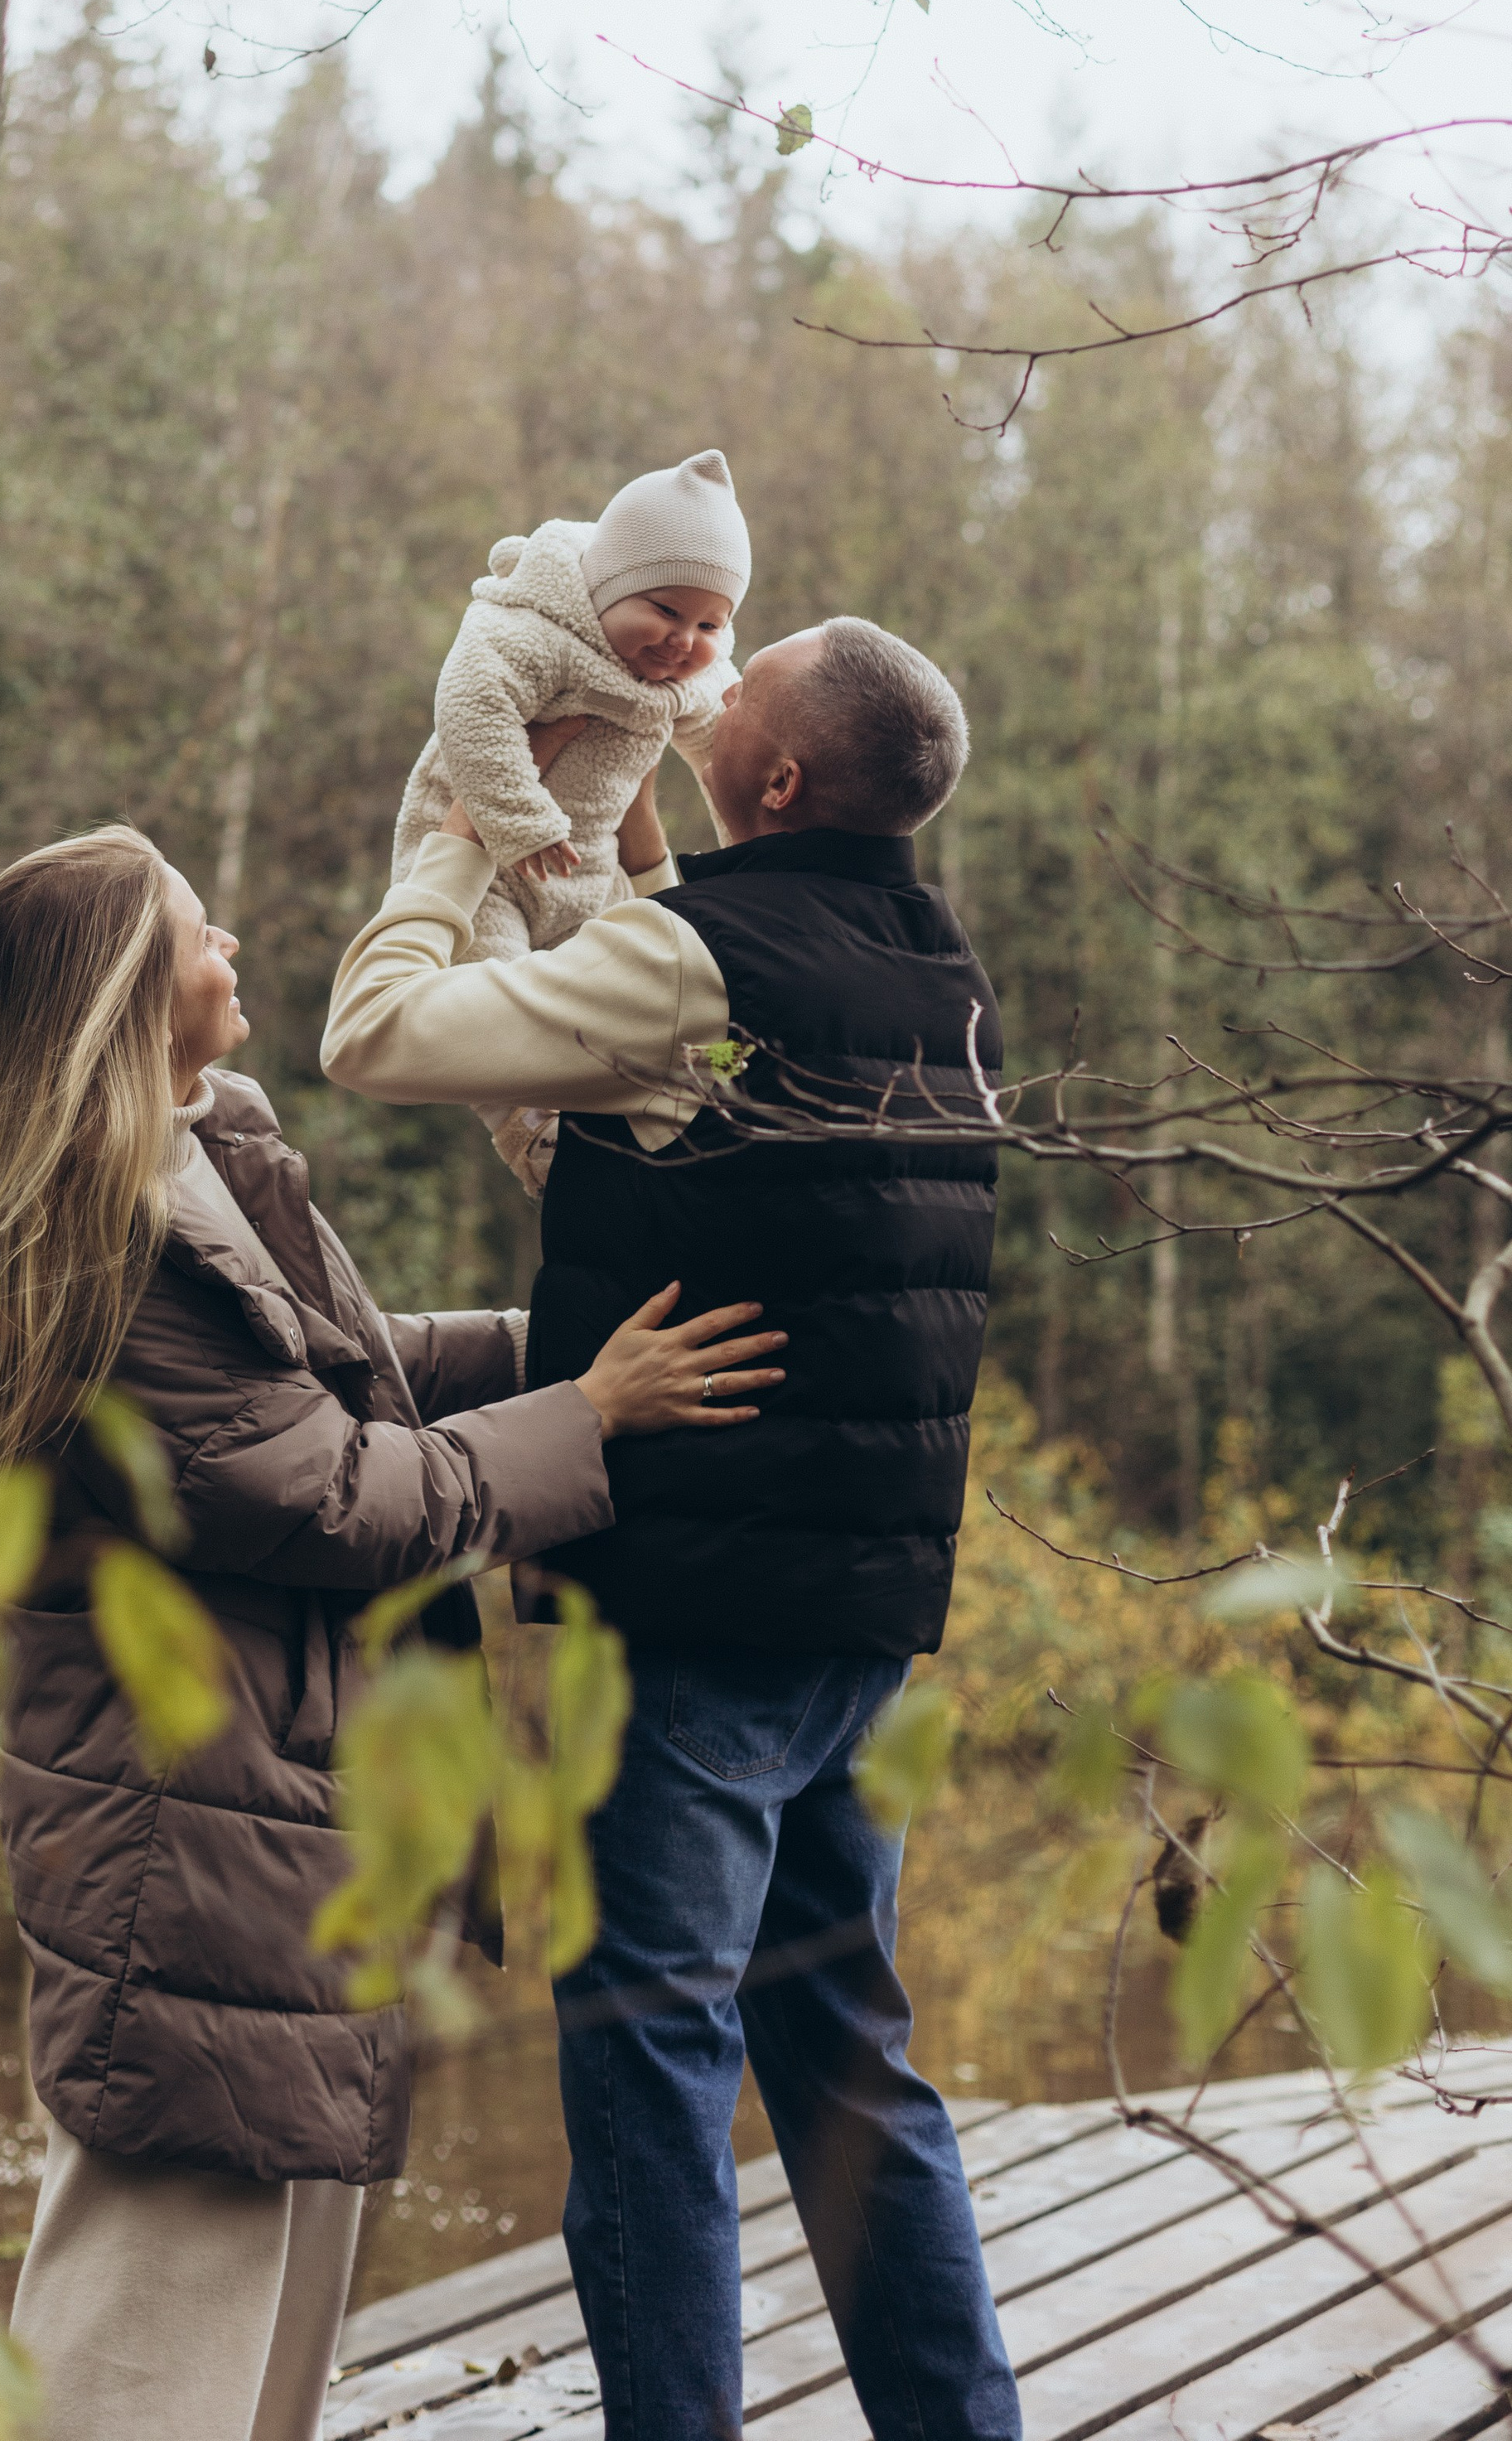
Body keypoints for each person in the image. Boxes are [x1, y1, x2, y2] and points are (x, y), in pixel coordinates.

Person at [0, 823, 786, 2441]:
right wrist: (589, 1416)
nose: (230, 945)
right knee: (143, 2353)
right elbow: (336, 1497)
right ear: (127, 993)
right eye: (197, 930)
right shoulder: (101, 1244)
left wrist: (566, 1350)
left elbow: (341, 1369)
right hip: (183, 1851)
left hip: (268, 1831)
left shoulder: (196, 1158)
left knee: (263, 2347)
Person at [321, 619, 1022, 2441]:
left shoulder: (707, 956)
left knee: (648, 2083)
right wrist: (623, 842)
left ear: (778, 779)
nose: (705, 692)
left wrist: (451, 835)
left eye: (739, 687)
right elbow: (665, 1087)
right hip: (863, 1613)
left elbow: (377, 1033)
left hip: (700, 1610)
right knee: (852, 2073)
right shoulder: (934, 970)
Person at [389, 449, 750, 1192]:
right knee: (494, 996)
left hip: (589, 867)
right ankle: (532, 1132)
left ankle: (722, 1073)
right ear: (605, 589)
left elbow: (722, 754)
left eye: (711, 623)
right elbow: (472, 708)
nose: (684, 641)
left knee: (665, 978)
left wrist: (748, 849)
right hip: (483, 861)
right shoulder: (536, 626)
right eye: (665, 612)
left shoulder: (692, 672)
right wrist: (520, 821)